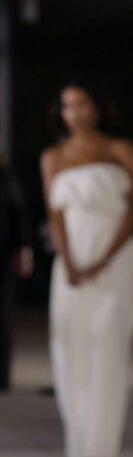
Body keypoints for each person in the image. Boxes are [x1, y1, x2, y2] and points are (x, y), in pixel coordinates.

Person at [41, 82, 133, 457]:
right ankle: (80, 438)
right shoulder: (54, 156)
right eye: (66, 105)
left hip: (115, 257)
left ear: (96, 108)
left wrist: (104, 257)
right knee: (70, 348)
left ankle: (98, 449)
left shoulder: (121, 150)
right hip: (71, 261)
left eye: (81, 103)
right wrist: (69, 260)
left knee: (107, 347)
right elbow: (55, 215)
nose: (74, 112)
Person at [0, 153, 34, 390]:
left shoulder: (3, 173)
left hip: (1, 254)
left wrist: (23, 249)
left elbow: (17, 210)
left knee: (2, 316)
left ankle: (1, 377)